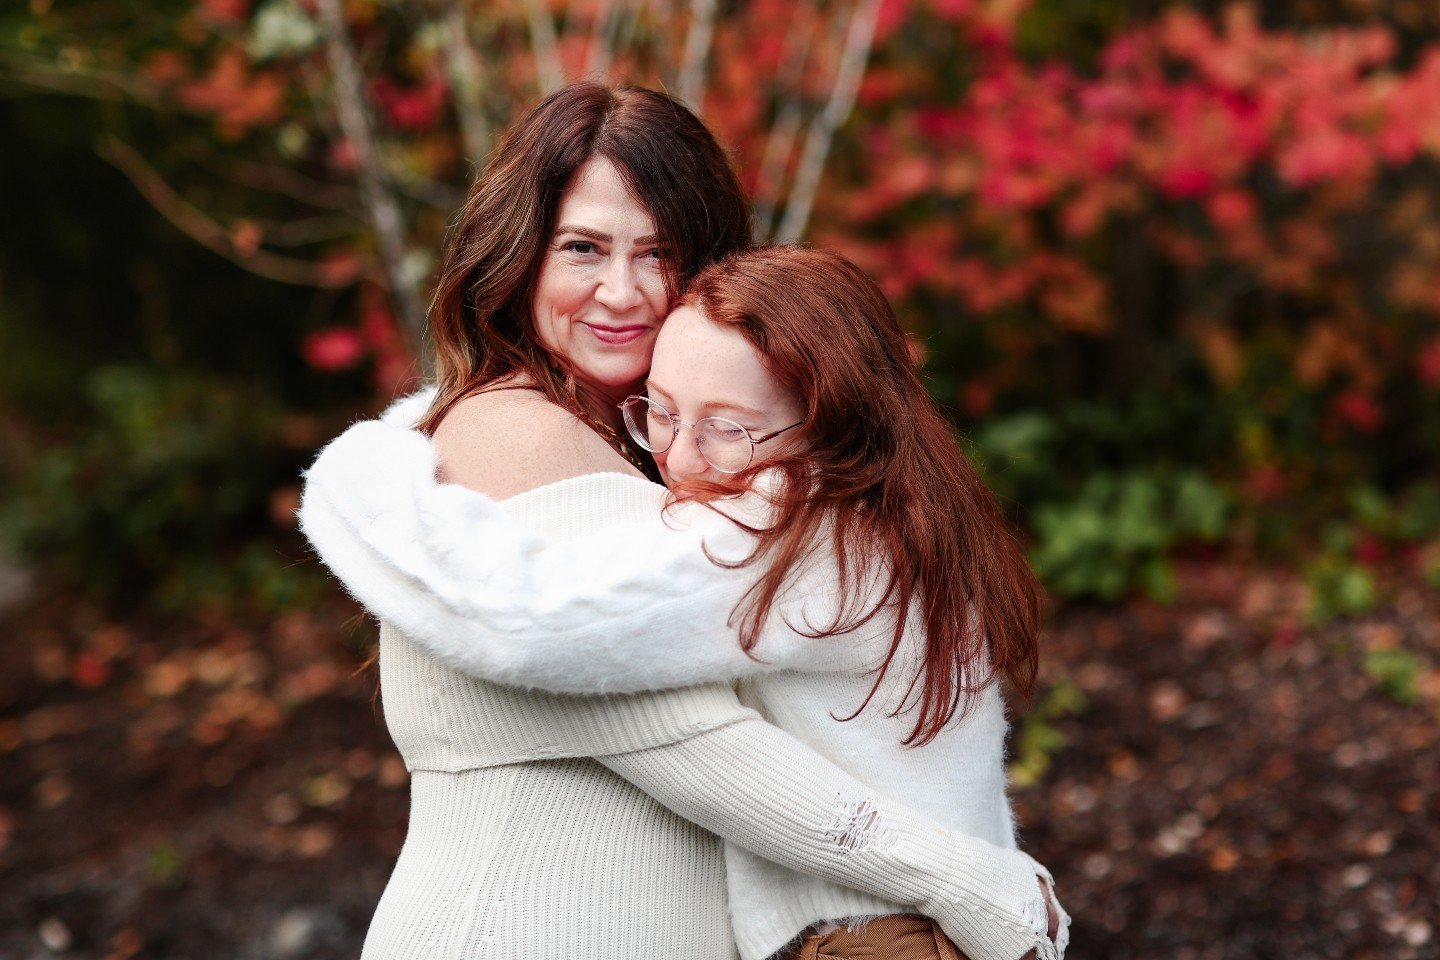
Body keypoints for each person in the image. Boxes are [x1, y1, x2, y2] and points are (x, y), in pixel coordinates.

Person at [300, 82, 1064, 960]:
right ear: (516, 257)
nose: (621, 293)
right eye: (582, 247)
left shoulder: (687, 457)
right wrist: (972, 881)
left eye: (658, 254)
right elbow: (687, 741)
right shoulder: (518, 431)